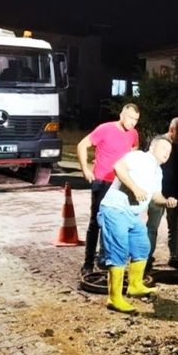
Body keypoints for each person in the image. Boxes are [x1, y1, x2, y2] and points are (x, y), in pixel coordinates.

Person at [98, 135, 177, 313]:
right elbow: (118, 167)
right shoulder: (139, 157)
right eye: (164, 149)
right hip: (115, 209)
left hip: (131, 214)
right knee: (119, 252)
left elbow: (155, 196)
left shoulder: (158, 171)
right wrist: (134, 188)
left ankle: (135, 286)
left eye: (170, 151)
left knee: (142, 245)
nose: (167, 153)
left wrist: (166, 201)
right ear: (153, 147)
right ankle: (114, 298)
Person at [77, 103, 140, 276]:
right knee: (96, 222)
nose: (133, 123)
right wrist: (85, 169)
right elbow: (82, 145)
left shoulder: (133, 134)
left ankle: (105, 259)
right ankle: (88, 263)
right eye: (130, 118)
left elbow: (134, 152)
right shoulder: (105, 129)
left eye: (136, 120)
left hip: (121, 184)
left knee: (115, 223)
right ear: (122, 115)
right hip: (102, 181)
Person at [145, 117, 178, 272]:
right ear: (172, 130)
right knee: (152, 226)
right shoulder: (159, 143)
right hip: (159, 192)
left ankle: (175, 257)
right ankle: (146, 257)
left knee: (174, 227)